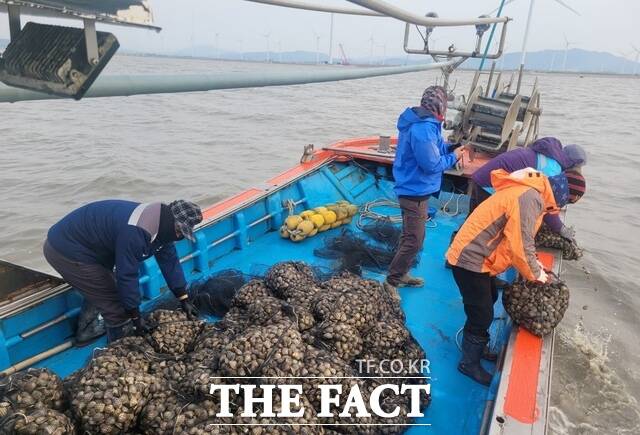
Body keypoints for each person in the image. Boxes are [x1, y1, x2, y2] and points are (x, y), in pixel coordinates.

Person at [446, 167, 584, 386]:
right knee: (482, 313)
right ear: (564, 191)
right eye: (570, 200)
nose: (565, 206)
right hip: (469, 259)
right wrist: (537, 274)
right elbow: (521, 244)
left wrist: (534, 264)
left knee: (488, 298)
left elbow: (518, 238)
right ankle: (468, 363)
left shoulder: (532, 195)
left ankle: (476, 347)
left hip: (479, 258)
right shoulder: (529, 199)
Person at [43, 199, 203, 343]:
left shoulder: (163, 226)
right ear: (171, 220)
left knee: (104, 285)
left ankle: (87, 330)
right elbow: (127, 275)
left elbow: (170, 262)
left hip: (92, 246)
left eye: (183, 233)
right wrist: (135, 317)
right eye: (179, 230)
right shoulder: (137, 230)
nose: (178, 235)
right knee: (117, 306)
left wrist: (183, 298)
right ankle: (119, 349)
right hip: (66, 249)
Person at [383, 85, 464, 294]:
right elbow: (432, 164)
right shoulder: (423, 129)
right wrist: (455, 157)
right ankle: (391, 282)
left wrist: (450, 148)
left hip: (416, 188)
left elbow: (435, 150)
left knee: (410, 236)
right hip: (413, 191)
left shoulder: (424, 122)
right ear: (439, 106)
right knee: (414, 241)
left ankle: (402, 273)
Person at [468, 137, 587, 241]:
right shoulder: (552, 169)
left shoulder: (550, 155)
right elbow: (545, 201)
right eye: (578, 168)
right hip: (490, 184)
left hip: (484, 177)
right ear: (571, 164)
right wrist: (560, 228)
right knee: (484, 229)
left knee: (473, 221)